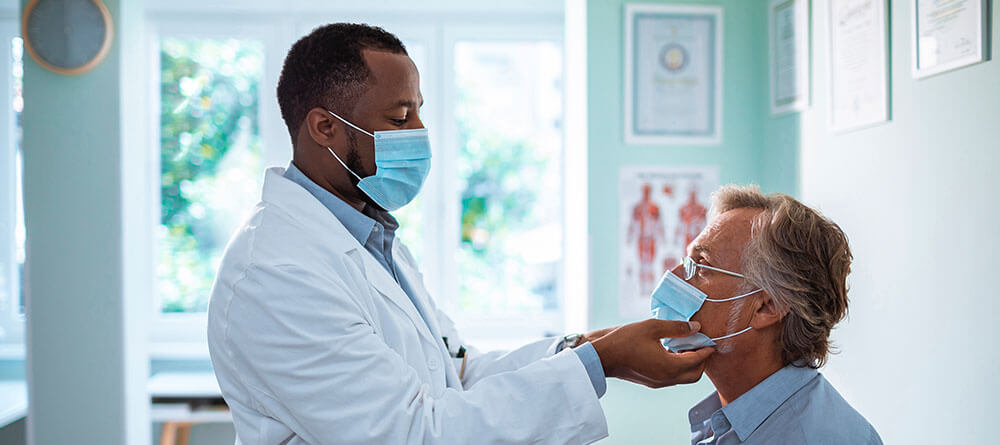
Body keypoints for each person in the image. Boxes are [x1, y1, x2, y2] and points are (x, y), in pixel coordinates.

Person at [207, 23, 714, 445]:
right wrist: (601, 361)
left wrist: (585, 348)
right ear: (324, 128)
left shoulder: (373, 238)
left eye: (419, 111)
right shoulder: (275, 272)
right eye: (400, 117)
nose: (421, 132)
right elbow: (413, 433)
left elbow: (455, 374)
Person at [653, 185, 881, 444]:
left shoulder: (820, 438)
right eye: (686, 262)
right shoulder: (732, 422)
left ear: (766, 307)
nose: (673, 277)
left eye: (701, 265)